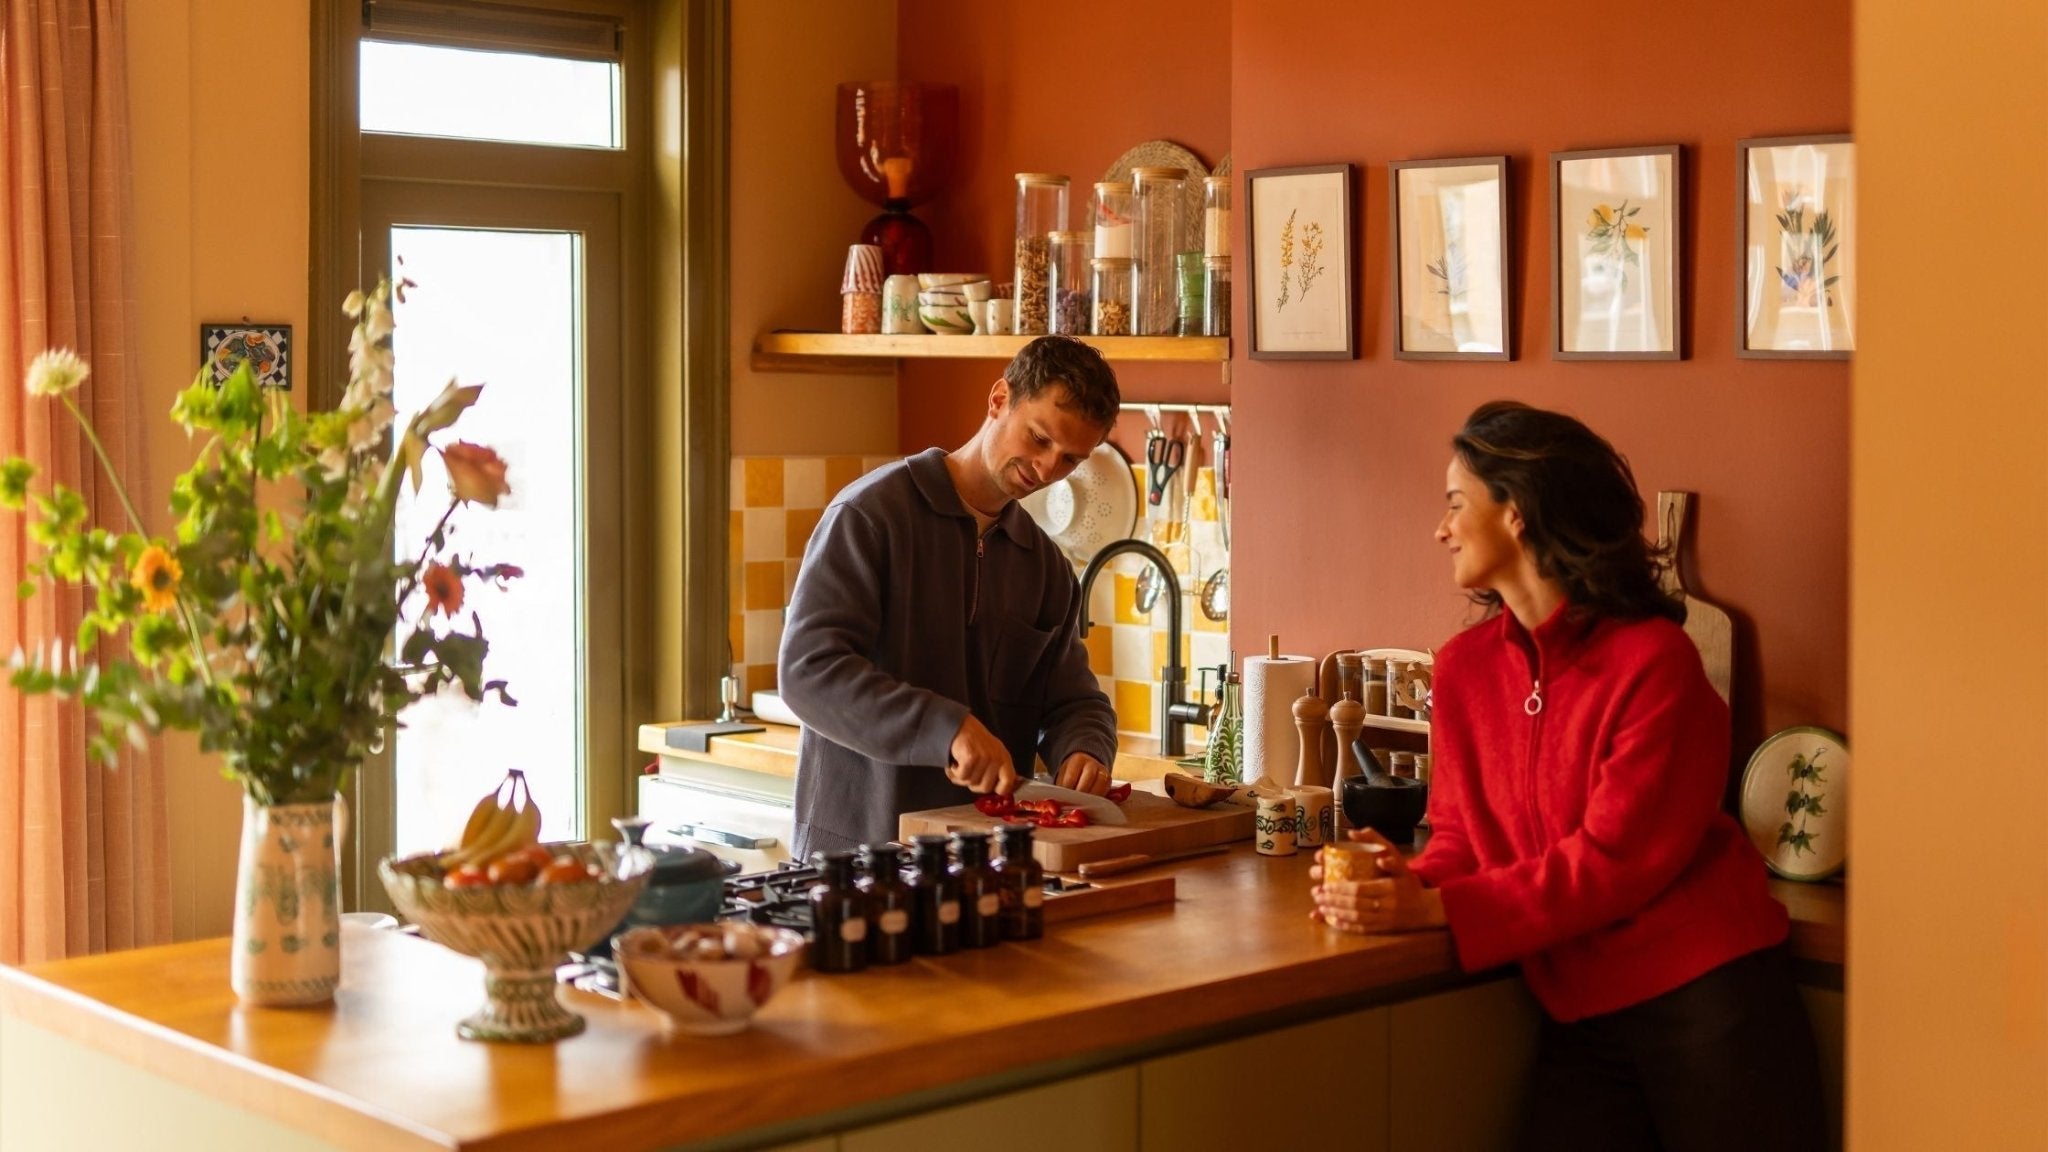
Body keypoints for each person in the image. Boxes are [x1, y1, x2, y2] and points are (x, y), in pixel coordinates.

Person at [1312, 400, 1826, 1150]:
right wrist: (1410, 881)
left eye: (1457, 503)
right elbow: (1461, 837)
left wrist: (1437, 912)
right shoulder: (1462, 670)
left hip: (1711, 1009)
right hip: (1579, 1012)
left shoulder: (1656, 664)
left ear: (1516, 512)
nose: (1441, 527)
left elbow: (1612, 863)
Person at [779, 336, 1121, 858]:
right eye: (1039, 438)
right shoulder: (870, 517)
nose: (1050, 469)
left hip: (986, 863)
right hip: (858, 858)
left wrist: (1085, 748)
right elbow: (808, 673)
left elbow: (1073, 700)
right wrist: (946, 727)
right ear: (998, 399)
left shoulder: (1046, 567)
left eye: (1071, 459)